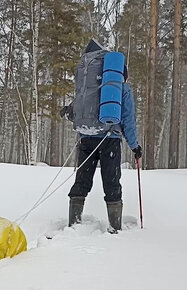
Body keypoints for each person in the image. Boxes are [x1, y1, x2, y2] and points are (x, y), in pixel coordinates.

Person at [60, 63, 141, 234]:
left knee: (82, 180)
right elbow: (128, 119)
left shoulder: (89, 87)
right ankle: (115, 227)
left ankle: (73, 225)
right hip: (110, 140)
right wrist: (134, 146)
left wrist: (67, 112)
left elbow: (76, 112)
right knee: (111, 182)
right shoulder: (122, 89)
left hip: (86, 138)